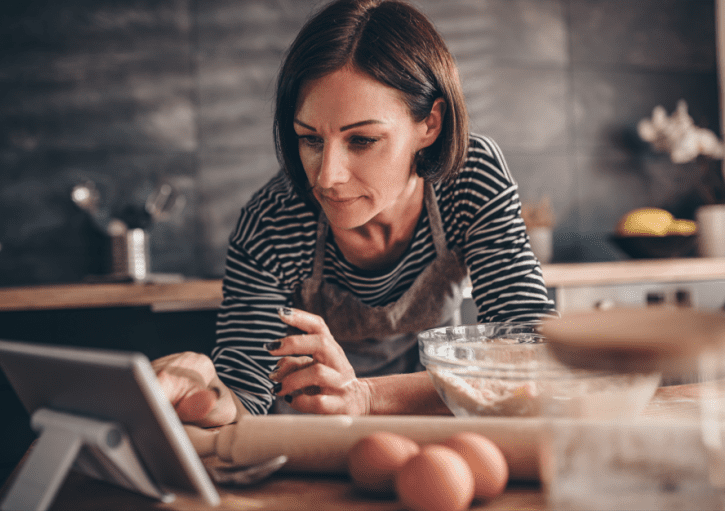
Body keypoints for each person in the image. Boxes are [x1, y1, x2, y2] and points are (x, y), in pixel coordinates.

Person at [152, 0, 557, 434]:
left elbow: (529, 352)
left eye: (362, 140)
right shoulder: (272, 222)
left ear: (430, 124)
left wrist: (365, 396)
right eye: (310, 139)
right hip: (317, 440)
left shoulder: (469, 177)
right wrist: (210, 392)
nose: (327, 177)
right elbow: (245, 398)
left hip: (433, 426)